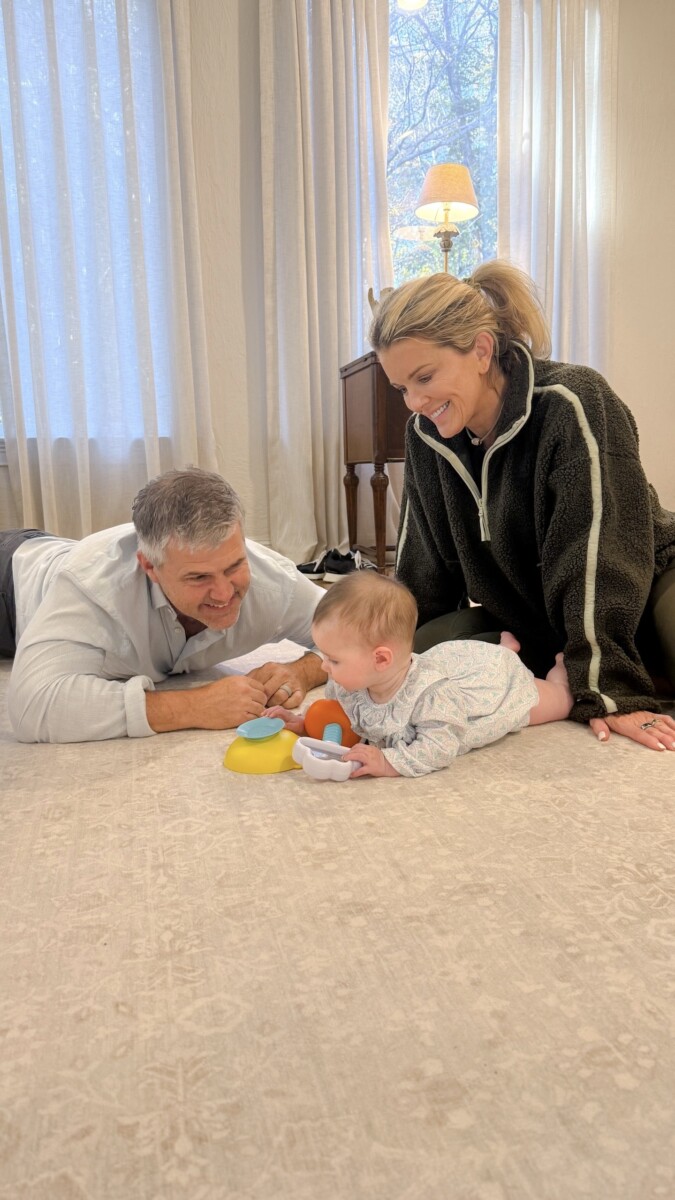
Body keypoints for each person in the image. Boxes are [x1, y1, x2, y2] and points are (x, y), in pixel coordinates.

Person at [367, 262, 675, 753]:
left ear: (482, 351)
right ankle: (589, 663)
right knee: (415, 660)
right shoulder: (424, 438)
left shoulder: (573, 401)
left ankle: (621, 665)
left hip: (643, 583)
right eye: (402, 387)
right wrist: (358, 663)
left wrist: (608, 690)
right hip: (537, 616)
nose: (415, 402)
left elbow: (601, 557)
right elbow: (420, 576)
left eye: (424, 377)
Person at [1, 468, 327, 743]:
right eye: (198, 577)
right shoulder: (91, 589)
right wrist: (191, 706)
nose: (224, 593)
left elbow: (370, 628)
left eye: (233, 567)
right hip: (11, 584)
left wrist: (302, 671)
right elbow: (32, 705)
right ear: (150, 567)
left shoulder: (274, 582)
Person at [267, 571, 573, 778]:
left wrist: (389, 763)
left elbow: (440, 747)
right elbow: (345, 721)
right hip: (454, 660)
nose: (324, 668)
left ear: (381, 659)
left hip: (489, 684)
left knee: (555, 704)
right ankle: (506, 645)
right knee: (477, 652)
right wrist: (306, 724)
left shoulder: (432, 698)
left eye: (333, 660)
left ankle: (549, 671)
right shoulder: (349, 683)